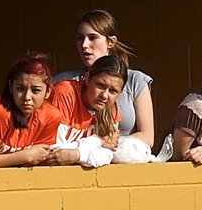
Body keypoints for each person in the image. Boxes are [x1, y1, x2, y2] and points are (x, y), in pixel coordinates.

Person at [53, 9, 154, 149]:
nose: (84, 45)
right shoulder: (63, 84)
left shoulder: (135, 80)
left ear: (111, 42)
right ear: (87, 80)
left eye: (92, 38)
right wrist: (98, 145)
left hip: (119, 159)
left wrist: (107, 145)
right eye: (80, 38)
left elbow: (147, 137)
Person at [0, 52, 62, 168]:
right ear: (11, 87)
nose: (27, 97)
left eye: (36, 90)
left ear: (48, 92)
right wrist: (24, 156)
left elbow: (39, 157)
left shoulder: (50, 116)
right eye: (20, 89)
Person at [47, 54, 127, 166]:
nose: (104, 95)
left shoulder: (110, 106)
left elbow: (108, 155)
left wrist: (77, 155)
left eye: (113, 91)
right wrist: (98, 141)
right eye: (100, 85)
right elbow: (54, 153)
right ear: (87, 78)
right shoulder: (64, 93)